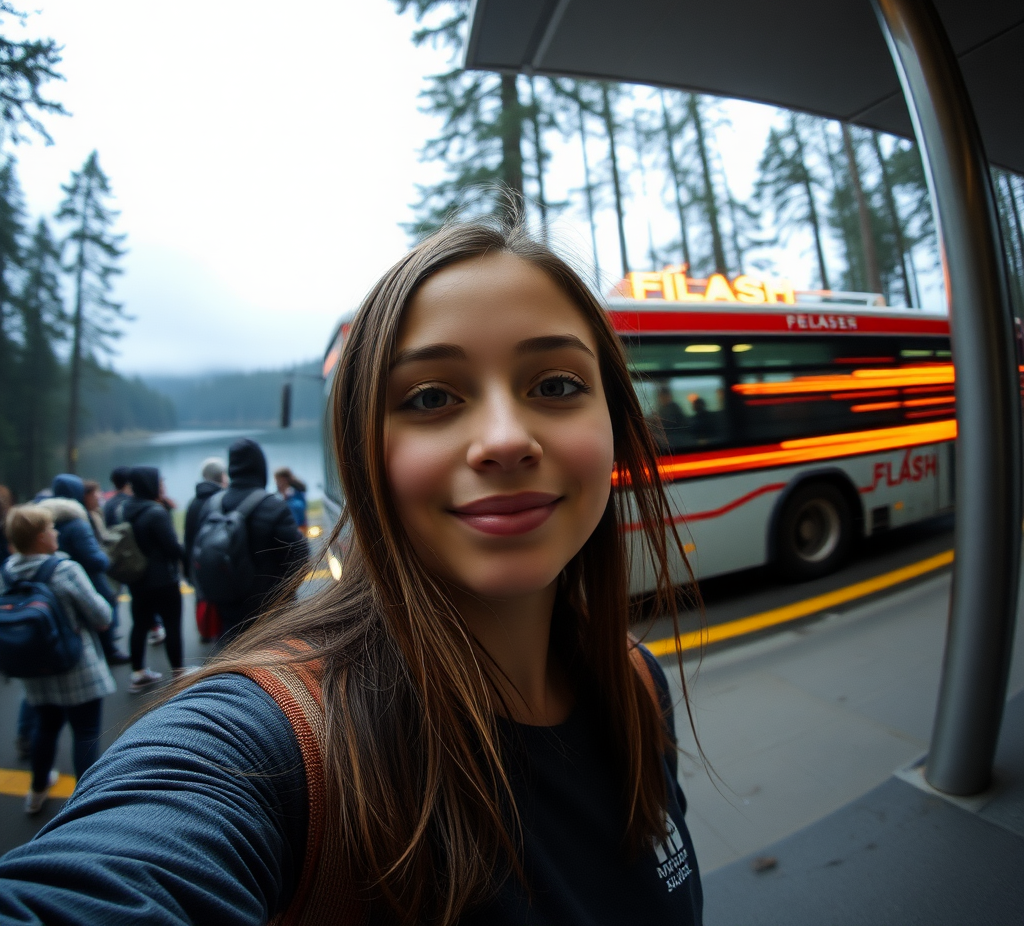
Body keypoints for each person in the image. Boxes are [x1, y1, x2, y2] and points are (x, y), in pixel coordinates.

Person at [0, 221, 703, 924]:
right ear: (363, 451)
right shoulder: (270, 747)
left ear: (616, 418)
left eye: (555, 383)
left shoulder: (636, 685)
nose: (505, 440)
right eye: (431, 397)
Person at [2, 505, 115, 815]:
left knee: (46, 727)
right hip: (75, 665)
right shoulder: (64, 569)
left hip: (33, 667)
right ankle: (86, 800)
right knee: (86, 731)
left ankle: (37, 791)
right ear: (40, 538)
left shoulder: (7, 571)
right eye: (51, 529)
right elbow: (102, 615)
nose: (56, 534)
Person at [210, 439, 308, 639]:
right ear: (260, 467)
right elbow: (300, 555)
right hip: (272, 613)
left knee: (235, 662)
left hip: (229, 610)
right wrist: (285, 595)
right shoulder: (273, 506)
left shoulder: (213, 504)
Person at [38, 475, 127, 666]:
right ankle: (108, 651)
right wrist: (106, 557)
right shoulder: (77, 521)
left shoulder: (45, 518)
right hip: (89, 579)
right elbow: (94, 559)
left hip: (53, 581)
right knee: (101, 613)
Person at [122, 466, 186, 692]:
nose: (163, 487)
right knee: (172, 625)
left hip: (137, 578)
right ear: (150, 484)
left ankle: (138, 673)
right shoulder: (155, 512)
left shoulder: (125, 508)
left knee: (139, 624)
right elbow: (172, 547)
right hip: (162, 580)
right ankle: (179, 674)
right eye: (159, 483)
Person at [184, 457, 228, 644]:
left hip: (196, 562)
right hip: (217, 564)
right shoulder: (221, 501)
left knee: (201, 598)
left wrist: (187, 569)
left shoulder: (193, 502)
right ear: (222, 477)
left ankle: (204, 630)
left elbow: (188, 539)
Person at [273, 466, 308, 535]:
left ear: (283, 480)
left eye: (277, 481)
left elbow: (299, 509)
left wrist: (286, 500)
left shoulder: (293, 493)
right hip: (295, 529)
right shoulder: (282, 495)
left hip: (297, 529)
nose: (276, 484)